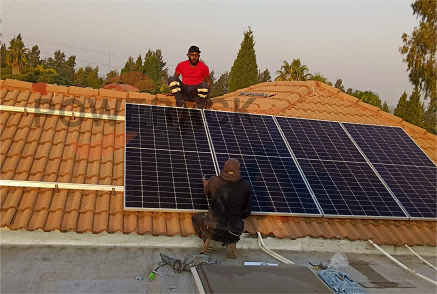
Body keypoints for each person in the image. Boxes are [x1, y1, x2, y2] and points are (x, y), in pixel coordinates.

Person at [192, 158, 252, 259]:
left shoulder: (214, 180)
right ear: (238, 170)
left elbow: (205, 192)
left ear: (224, 168)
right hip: (234, 232)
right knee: (236, 224)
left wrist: (207, 185)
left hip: (212, 229)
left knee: (196, 217)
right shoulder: (246, 186)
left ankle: (207, 239)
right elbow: (247, 212)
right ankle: (230, 243)